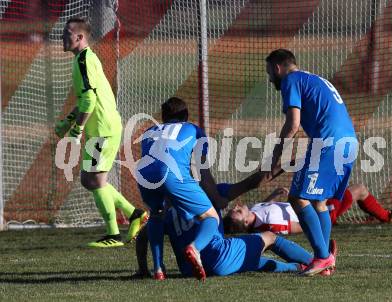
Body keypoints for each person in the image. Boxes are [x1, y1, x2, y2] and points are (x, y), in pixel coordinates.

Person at [263, 49, 358, 276]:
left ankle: (323, 256)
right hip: (348, 143)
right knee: (319, 202)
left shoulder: (291, 80)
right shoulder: (314, 78)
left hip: (329, 142)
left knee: (297, 197)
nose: (270, 78)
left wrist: (275, 155)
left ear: (277, 68)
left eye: (269, 72)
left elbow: (293, 124)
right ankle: (324, 259)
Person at [55, 18, 147, 247]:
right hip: (101, 127)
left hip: (103, 128)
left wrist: (76, 129)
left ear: (79, 37)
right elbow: (86, 99)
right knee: (90, 179)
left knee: (95, 179)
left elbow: (89, 99)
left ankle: (114, 234)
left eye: (67, 33)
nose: (62, 37)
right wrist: (67, 122)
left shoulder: (85, 61)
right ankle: (135, 214)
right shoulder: (82, 59)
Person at [137, 97, 228, 281]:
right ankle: (195, 248)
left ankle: (158, 269)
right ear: (186, 116)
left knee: (156, 214)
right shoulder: (194, 129)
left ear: (163, 117)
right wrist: (216, 197)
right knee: (211, 218)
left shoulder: (149, 131)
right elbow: (202, 171)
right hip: (171, 172)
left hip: (143, 174)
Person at [133, 204, 326, 280]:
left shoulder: (165, 211)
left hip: (190, 270)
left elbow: (143, 236)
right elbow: (244, 186)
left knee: (255, 263)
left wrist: (144, 269)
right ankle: (317, 262)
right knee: (270, 237)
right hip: (219, 257)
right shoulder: (201, 195)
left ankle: (297, 267)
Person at [222, 184, 392, 234]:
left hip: (313, 204)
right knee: (359, 189)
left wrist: (272, 197)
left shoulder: (255, 214)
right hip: (322, 212)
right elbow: (302, 227)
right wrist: (322, 218)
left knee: (356, 190)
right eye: (238, 212)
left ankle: (384, 216)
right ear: (246, 222)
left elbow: (263, 207)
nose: (238, 206)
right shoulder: (272, 225)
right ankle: (388, 217)